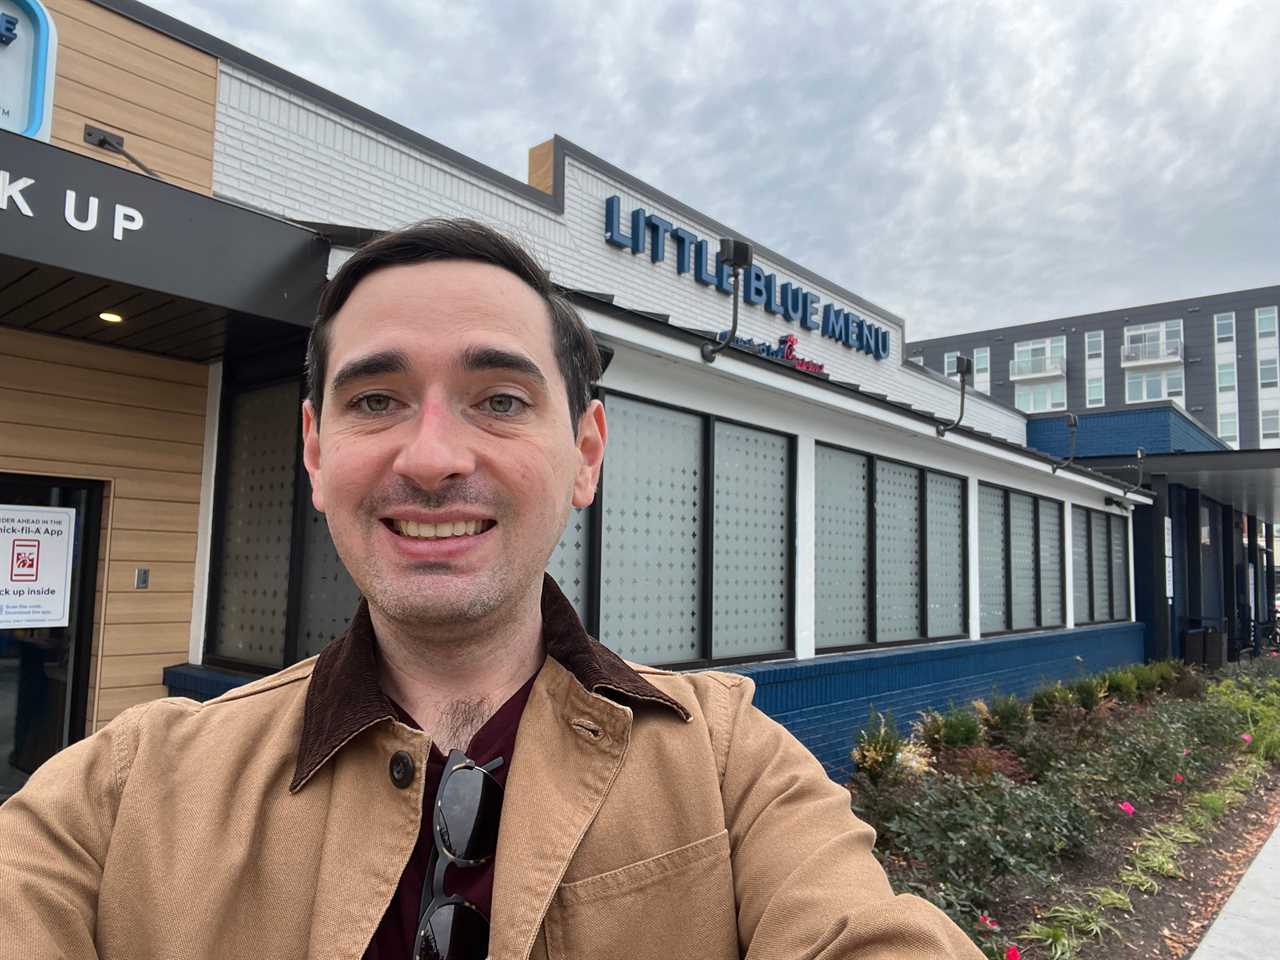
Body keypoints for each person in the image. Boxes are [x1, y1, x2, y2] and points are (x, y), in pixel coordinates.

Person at [0, 220, 982, 960]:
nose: (430, 459)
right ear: (314, 450)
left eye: (500, 400)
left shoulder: (726, 764)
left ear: (584, 454)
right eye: (375, 400)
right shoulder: (128, 790)